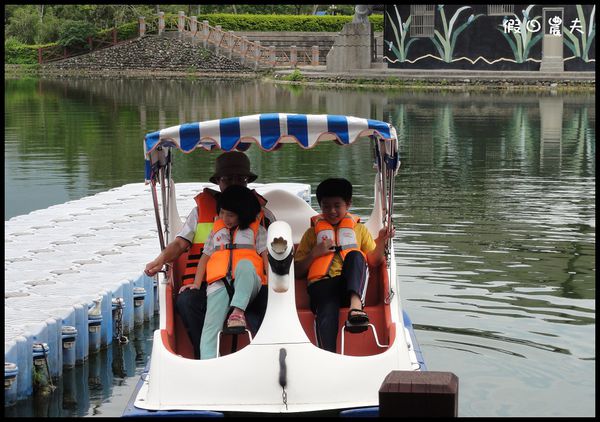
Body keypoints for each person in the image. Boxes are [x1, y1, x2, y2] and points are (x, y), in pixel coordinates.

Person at [144, 151, 273, 359]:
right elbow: (179, 243)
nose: (234, 183)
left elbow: (274, 252)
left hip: (251, 282)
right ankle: (202, 357)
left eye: (240, 179)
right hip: (211, 282)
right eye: (227, 179)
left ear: (247, 181)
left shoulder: (263, 216)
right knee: (187, 301)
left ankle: (266, 357)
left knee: (271, 297)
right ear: (218, 182)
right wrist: (159, 261)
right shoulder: (200, 213)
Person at [294, 178, 394, 353]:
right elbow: (297, 272)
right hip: (322, 287)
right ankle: (327, 355)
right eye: (326, 206)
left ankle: (356, 309)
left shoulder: (359, 230)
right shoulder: (311, 235)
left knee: (356, 255)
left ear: (348, 204)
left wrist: (382, 240)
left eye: (337, 205)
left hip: (349, 289)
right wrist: (314, 254)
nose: (331, 211)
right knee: (326, 307)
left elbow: (373, 261)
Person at [189, 185, 268, 360]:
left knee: (245, 265)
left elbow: (266, 258)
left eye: (231, 215)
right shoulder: (216, 231)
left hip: (249, 283)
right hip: (220, 283)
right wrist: (195, 284)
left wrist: (271, 281)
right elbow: (205, 258)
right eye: (223, 213)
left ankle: (238, 312)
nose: (226, 218)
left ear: (244, 213)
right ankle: (209, 366)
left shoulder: (258, 231)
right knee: (210, 329)